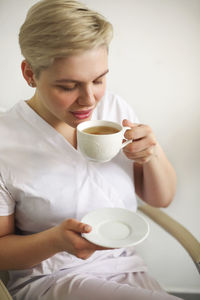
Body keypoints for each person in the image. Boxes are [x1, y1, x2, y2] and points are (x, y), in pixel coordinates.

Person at [0, 0, 181, 299]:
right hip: (54, 278)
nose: (89, 100)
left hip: (128, 269)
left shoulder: (115, 108)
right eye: (68, 86)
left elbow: (161, 199)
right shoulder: (5, 140)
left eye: (98, 80)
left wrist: (152, 154)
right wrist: (56, 241)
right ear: (29, 73)